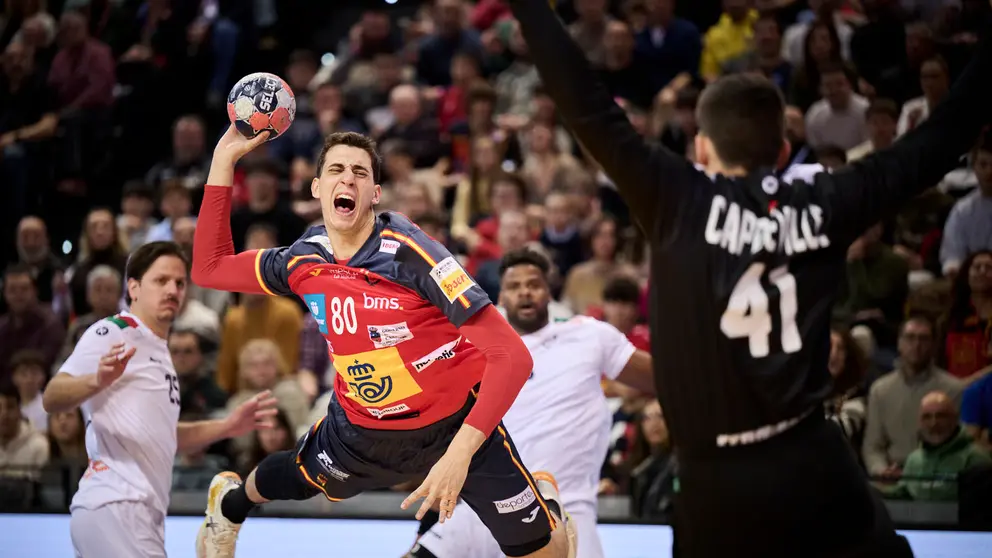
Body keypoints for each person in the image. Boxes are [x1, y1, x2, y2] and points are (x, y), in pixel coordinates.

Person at [507, 1, 992, 556]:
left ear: (702, 147)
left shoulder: (677, 199)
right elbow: (943, 135)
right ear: (783, 151)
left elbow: (585, 103)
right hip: (813, 455)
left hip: (717, 480)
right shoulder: (827, 200)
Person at [191, 127, 576, 558]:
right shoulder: (304, 258)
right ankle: (228, 506)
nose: (347, 179)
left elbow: (512, 356)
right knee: (296, 477)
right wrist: (224, 158)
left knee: (550, 555)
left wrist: (460, 453)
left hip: (454, 428)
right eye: (336, 169)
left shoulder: (415, 253)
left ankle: (548, 507)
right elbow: (210, 269)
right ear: (317, 188)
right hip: (359, 431)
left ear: (375, 193)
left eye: (359, 172)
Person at [410, 248, 654, 558]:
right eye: (514, 286)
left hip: (567, 505)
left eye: (534, 284)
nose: (525, 292)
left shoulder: (590, 336)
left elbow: (663, 382)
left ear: (549, 291)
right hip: (489, 502)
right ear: (500, 296)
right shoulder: (475, 349)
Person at [41, 241, 278, 558]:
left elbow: (163, 436)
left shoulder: (159, 351)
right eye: (161, 280)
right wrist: (96, 380)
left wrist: (228, 425)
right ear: (134, 287)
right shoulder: (115, 331)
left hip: (142, 515)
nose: (173, 290)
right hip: (115, 505)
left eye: (180, 283)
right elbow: (53, 397)